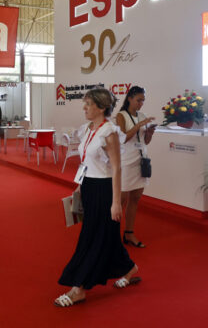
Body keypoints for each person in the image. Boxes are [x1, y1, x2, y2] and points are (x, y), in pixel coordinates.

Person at [54, 88, 140, 307]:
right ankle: (130, 269)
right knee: (106, 235)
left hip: (104, 189)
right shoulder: (89, 128)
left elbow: (117, 168)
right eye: (85, 103)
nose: (84, 107)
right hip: (90, 186)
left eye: (88, 104)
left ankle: (79, 288)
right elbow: (86, 162)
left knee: (93, 238)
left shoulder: (109, 131)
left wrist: (115, 202)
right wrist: (80, 188)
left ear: (101, 107)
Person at [115, 86, 156, 248]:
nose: (141, 103)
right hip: (126, 162)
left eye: (143, 100)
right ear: (130, 98)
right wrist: (139, 126)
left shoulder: (142, 116)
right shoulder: (121, 115)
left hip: (141, 160)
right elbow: (123, 139)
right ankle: (112, 236)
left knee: (135, 199)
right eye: (139, 100)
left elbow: (145, 142)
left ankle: (129, 233)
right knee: (121, 200)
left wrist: (149, 133)